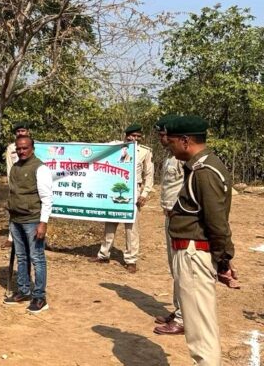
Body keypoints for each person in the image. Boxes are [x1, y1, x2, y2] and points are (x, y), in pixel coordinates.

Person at [165, 115, 236, 365]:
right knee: (201, 328)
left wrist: (224, 260)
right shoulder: (204, 166)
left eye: (171, 141)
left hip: (194, 254)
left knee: (201, 336)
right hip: (194, 252)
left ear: (185, 141)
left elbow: (217, 223)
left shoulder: (204, 172)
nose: (169, 147)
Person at [89, 123, 154, 273]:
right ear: (127, 135)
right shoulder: (116, 147)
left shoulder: (144, 152)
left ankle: (131, 260)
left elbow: (149, 175)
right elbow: (97, 149)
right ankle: (104, 254)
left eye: (138, 136)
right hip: (115, 187)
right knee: (110, 223)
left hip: (134, 190)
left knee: (131, 227)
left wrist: (144, 194)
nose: (135, 139)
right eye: (133, 136)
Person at [2, 137, 52, 313]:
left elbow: (46, 199)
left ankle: (40, 297)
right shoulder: (15, 167)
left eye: (25, 148)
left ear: (32, 148)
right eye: (19, 149)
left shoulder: (40, 168)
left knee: (37, 258)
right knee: (22, 257)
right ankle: (24, 291)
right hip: (16, 220)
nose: (21, 151)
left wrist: (43, 223)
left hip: (33, 220)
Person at [153, 115, 185, 336]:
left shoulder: (184, 159)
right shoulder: (170, 158)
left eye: (162, 134)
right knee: (174, 268)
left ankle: (184, 317)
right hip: (169, 215)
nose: (161, 138)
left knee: (182, 269)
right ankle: (178, 309)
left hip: (180, 216)